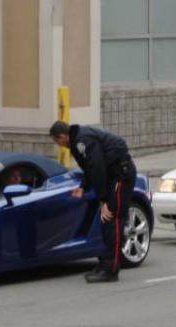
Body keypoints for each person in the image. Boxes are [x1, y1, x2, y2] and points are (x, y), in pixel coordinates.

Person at [49, 121, 137, 283]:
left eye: (57, 142)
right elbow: (90, 168)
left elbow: (98, 167)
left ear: (61, 136)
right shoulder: (77, 142)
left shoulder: (82, 141)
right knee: (105, 223)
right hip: (112, 175)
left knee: (112, 218)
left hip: (120, 175)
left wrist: (103, 200)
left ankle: (111, 270)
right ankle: (105, 264)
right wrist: (83, 187)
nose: (59, 146)